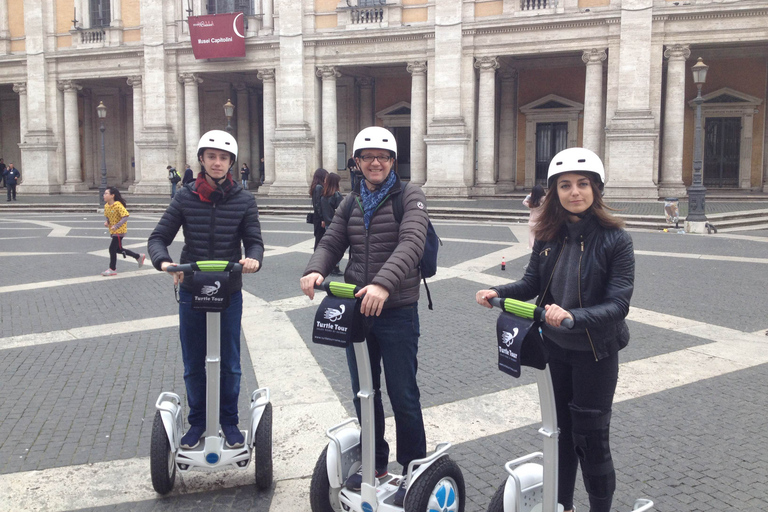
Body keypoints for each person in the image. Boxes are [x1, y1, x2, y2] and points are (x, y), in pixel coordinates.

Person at [475, 147, 634, 512]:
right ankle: (561, 504)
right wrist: (496, 291)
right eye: (565, 185)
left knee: (590, 439)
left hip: (595, 353)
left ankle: (599, 508)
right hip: (555, 348)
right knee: (559, 435)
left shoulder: (616, 240)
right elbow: (531, 282)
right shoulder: (548, 235)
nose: (574, 192)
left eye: (582, 184)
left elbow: (618, 305)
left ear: (596, 189)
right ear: (555, 192)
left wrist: (575, 317)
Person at [300, 126, 429, 507]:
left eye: (383, 156)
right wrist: (315, 268)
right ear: (356, 163)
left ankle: (413, 466)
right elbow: (332, 240)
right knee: (363, 392)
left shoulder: (410, 196)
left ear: (392, 162)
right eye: (367, 156)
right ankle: (374, 463)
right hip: (358, 310)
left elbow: (412, 243)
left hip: (396, 311)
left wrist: (384, 284)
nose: (376, 162)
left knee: (403, 393)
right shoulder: (351, 201)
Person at [148, 130, 264, 450]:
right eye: (211, 156)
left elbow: (253, 240)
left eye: (223, 157)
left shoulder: (243, 199)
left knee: (230, 361)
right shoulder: (184, 196)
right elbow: (158, 238)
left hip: (228, 289)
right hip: (192, 287)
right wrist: (164, 262)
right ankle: (198, 419)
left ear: (231, 163)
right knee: (193, 359)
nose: (217, 162)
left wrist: (253, 258)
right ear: (201, 159)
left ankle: (228, 419)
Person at [101, 186, 146, 276]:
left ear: (112, 195)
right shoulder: (106, 206)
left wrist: (117, 225)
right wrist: (107, 222)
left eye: (106, 193)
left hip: (119, 231)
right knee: (118, 249)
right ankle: (138, 256)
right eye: (104, 193)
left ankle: (112, 269)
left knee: (112, 249)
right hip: (113, 231)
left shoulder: (118, 205)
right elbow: (107, 215)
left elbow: (125, 216)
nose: (104, 195)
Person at [320, 172, 344, 274]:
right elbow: (342, 210)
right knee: (337, 247)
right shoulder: (336, 195)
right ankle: (336, 267)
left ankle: (329, 265)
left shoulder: (324, 195)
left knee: (330, 246)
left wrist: (324, 220)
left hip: (328, 223)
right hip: (337, 224)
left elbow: (322, 210)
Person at [309, 167, 329, 250]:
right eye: (326, 176)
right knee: (319, 240)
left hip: (317, 217)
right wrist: (322, 219)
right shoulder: (319, 187)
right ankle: (317, 260)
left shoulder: (316, 187)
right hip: (319, 218)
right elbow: (318, 205)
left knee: (319, 239)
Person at [523, 184, 546, 249]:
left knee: (532, 236)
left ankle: (533, 248)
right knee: (541, 236)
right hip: (542, 221)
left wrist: (529, 196)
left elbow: (524, 202)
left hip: (532, 222)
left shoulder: (532, 202)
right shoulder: (545, 200)